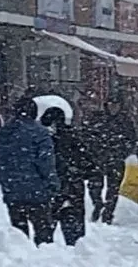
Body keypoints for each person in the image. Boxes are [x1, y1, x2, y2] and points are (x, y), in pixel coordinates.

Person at [0, 97, 58, 244]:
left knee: (19, 234)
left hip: (12, 191)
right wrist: (52, 184)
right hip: (37, 191)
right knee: (43, 231)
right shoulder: (40, 133)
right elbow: (46, 162)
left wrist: (5, 181)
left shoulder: (5, 133)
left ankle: (21, 256)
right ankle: (43, 259)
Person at [40, 103, 98, 245]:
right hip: (73, 186)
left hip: (50, 188)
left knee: (45, 229)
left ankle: (44, 252)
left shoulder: (41, 140)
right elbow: (89, 164)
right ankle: (75, 250)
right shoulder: (73, 138)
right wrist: (80, 173)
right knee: (74, 229)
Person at [86, 94, 136, 225]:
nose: (113, 107)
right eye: (111, 104)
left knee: (113, 188)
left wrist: (123, 151)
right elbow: (88, 136)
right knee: (94, 185)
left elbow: (131, 139)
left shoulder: (125, 121)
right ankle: (98, 204)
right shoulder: (98, 119)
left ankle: (108, 212)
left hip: (116, 159)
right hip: (98, 158)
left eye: (116, 105)